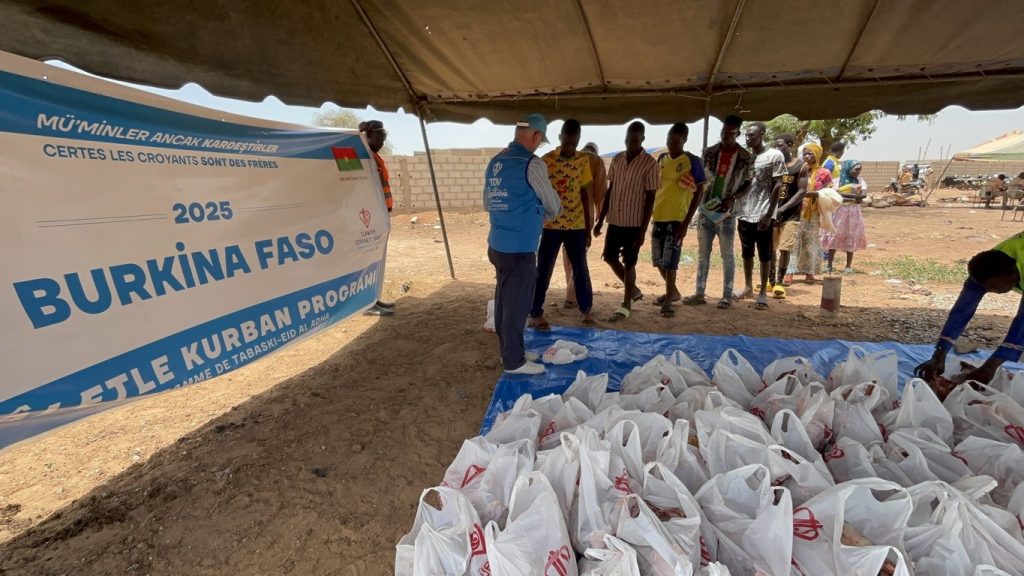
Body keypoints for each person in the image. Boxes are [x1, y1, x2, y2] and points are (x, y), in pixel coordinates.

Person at [484, 113, 561, 375]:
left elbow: (487, 203)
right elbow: (552, 204)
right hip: (520, 247)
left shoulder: (496, 161)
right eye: (540, 141)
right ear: (536, 136)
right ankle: (514, 362)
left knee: (504, 300)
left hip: (497, 244)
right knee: (517, 305)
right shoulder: (532, 164)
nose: (540, 146)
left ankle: (511, 350)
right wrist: (541, 211)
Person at [915, 232, 1024, 390]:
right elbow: (961, 311)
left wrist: (989, 367)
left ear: (1012, 275)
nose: (988, 291)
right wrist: (939, 354)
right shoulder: (991, 266)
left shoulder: (1007, 267)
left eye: (994, 286)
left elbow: (1022, 324)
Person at [530, 119, 595, 329]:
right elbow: (536, 192)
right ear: (560, 138)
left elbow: (586, 193)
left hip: (576, 225)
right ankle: (535, 312)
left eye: (574, 143)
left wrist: (587, 225)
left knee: (581, 270)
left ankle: (586, 311)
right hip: (551, 225)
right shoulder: (546, 161)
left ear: (578, 140)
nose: (570, 147)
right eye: (567, 142)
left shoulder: (583, 161)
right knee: (543, 269)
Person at [683, 115, 752, 310]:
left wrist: (733, 198)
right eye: (724, 132)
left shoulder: (746, 157)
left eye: (731, 133)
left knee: (727, 255)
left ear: (737, 133)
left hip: (727, 212)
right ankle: (699, 293)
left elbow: (748, 183)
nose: (726, 136)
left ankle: (726, 296)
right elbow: (701, 179)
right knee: (703, 253)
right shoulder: (709, 152)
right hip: (707, 209)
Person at [594, 122, 659, 321]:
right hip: (615, 220)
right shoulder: (617, 159)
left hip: (634, 223)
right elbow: (611, 190)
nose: (630, 144)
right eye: (628, 139)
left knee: (630, 263)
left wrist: (642, 231)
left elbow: (650, 199)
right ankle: (634, 290)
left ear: (642, 140)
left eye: (635, 140)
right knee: (610, 257)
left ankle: (626, 303)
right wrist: (601, 218)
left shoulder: (650, 164)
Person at [649, 123, 706, 317]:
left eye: (675, 142)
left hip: (677, 218)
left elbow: (699, 191)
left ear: (684, 141)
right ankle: (673, 292)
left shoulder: (692, 161)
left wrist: (686, 222)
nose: (671, 145)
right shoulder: (662, 159)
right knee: (658, 260)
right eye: (668, 141)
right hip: (658, 216)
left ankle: (668, 300)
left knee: (670, 260)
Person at [731, 122, 785, 310]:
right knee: (747, 251)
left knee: (764, 252)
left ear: (762, 134)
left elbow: (777, 185)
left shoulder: (774, 156)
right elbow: (745, 184)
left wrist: (770, 213)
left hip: (763, 213)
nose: (748, 138)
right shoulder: (746, 158)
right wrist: (733, 196)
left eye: (752, 135)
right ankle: (747, 287)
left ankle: (762, 290)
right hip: (745, 212)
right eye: (746, 135)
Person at [563, 142, 608, 308]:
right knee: (579, 256)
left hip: (563, 215)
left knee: (568, 255)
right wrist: (599, 219)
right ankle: (571, 295)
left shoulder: (570, 155)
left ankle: (571, 292)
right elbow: (600, 192)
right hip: (583, 217)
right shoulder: (596, 161)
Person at [360, 120, 397, 316]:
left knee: (377, 260)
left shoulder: (374, 156)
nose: (382, 141)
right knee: (369, 258)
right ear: (368, 135)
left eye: (384, 138)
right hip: (370, 217)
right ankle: (367, 303)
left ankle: (374, 298)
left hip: (380, 214)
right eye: (379, 137)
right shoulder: (364, 155)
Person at [770, 133, 805, 299]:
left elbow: (801, 192)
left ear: (790, 145)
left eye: (781, 146)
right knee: (770, 249)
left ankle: (779, 281)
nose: (777, 149)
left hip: (790, 215)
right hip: (771, 214)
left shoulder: (800, 166)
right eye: (775, 146)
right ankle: (770, 281)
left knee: (784, 249)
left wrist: (782, 209)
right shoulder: (773, 165)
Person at [791, 143, 832, 283]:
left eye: (811, 154)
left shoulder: (824, 173)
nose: (807, 156)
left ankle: (809, 273)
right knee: (793, 242)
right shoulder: (797, 170)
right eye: (805, 154)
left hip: (813, 213)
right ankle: (789, 273)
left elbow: (829, 193)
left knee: (811, 243)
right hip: (795, 211)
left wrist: (814, 194)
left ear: (818, 155)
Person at [821, 159, 868, 273]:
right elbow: (834, 194)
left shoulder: (860, 181)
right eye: (856, 169)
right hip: (839, 212)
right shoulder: (837, 181)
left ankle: (848, 266)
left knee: (850, 236)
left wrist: (844, 195)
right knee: (834, 235)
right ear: (848, 168)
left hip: (853, 213)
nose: (858, 172)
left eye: (859, 170)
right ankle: (829, 265)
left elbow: (863, 195)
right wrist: (853, 196)